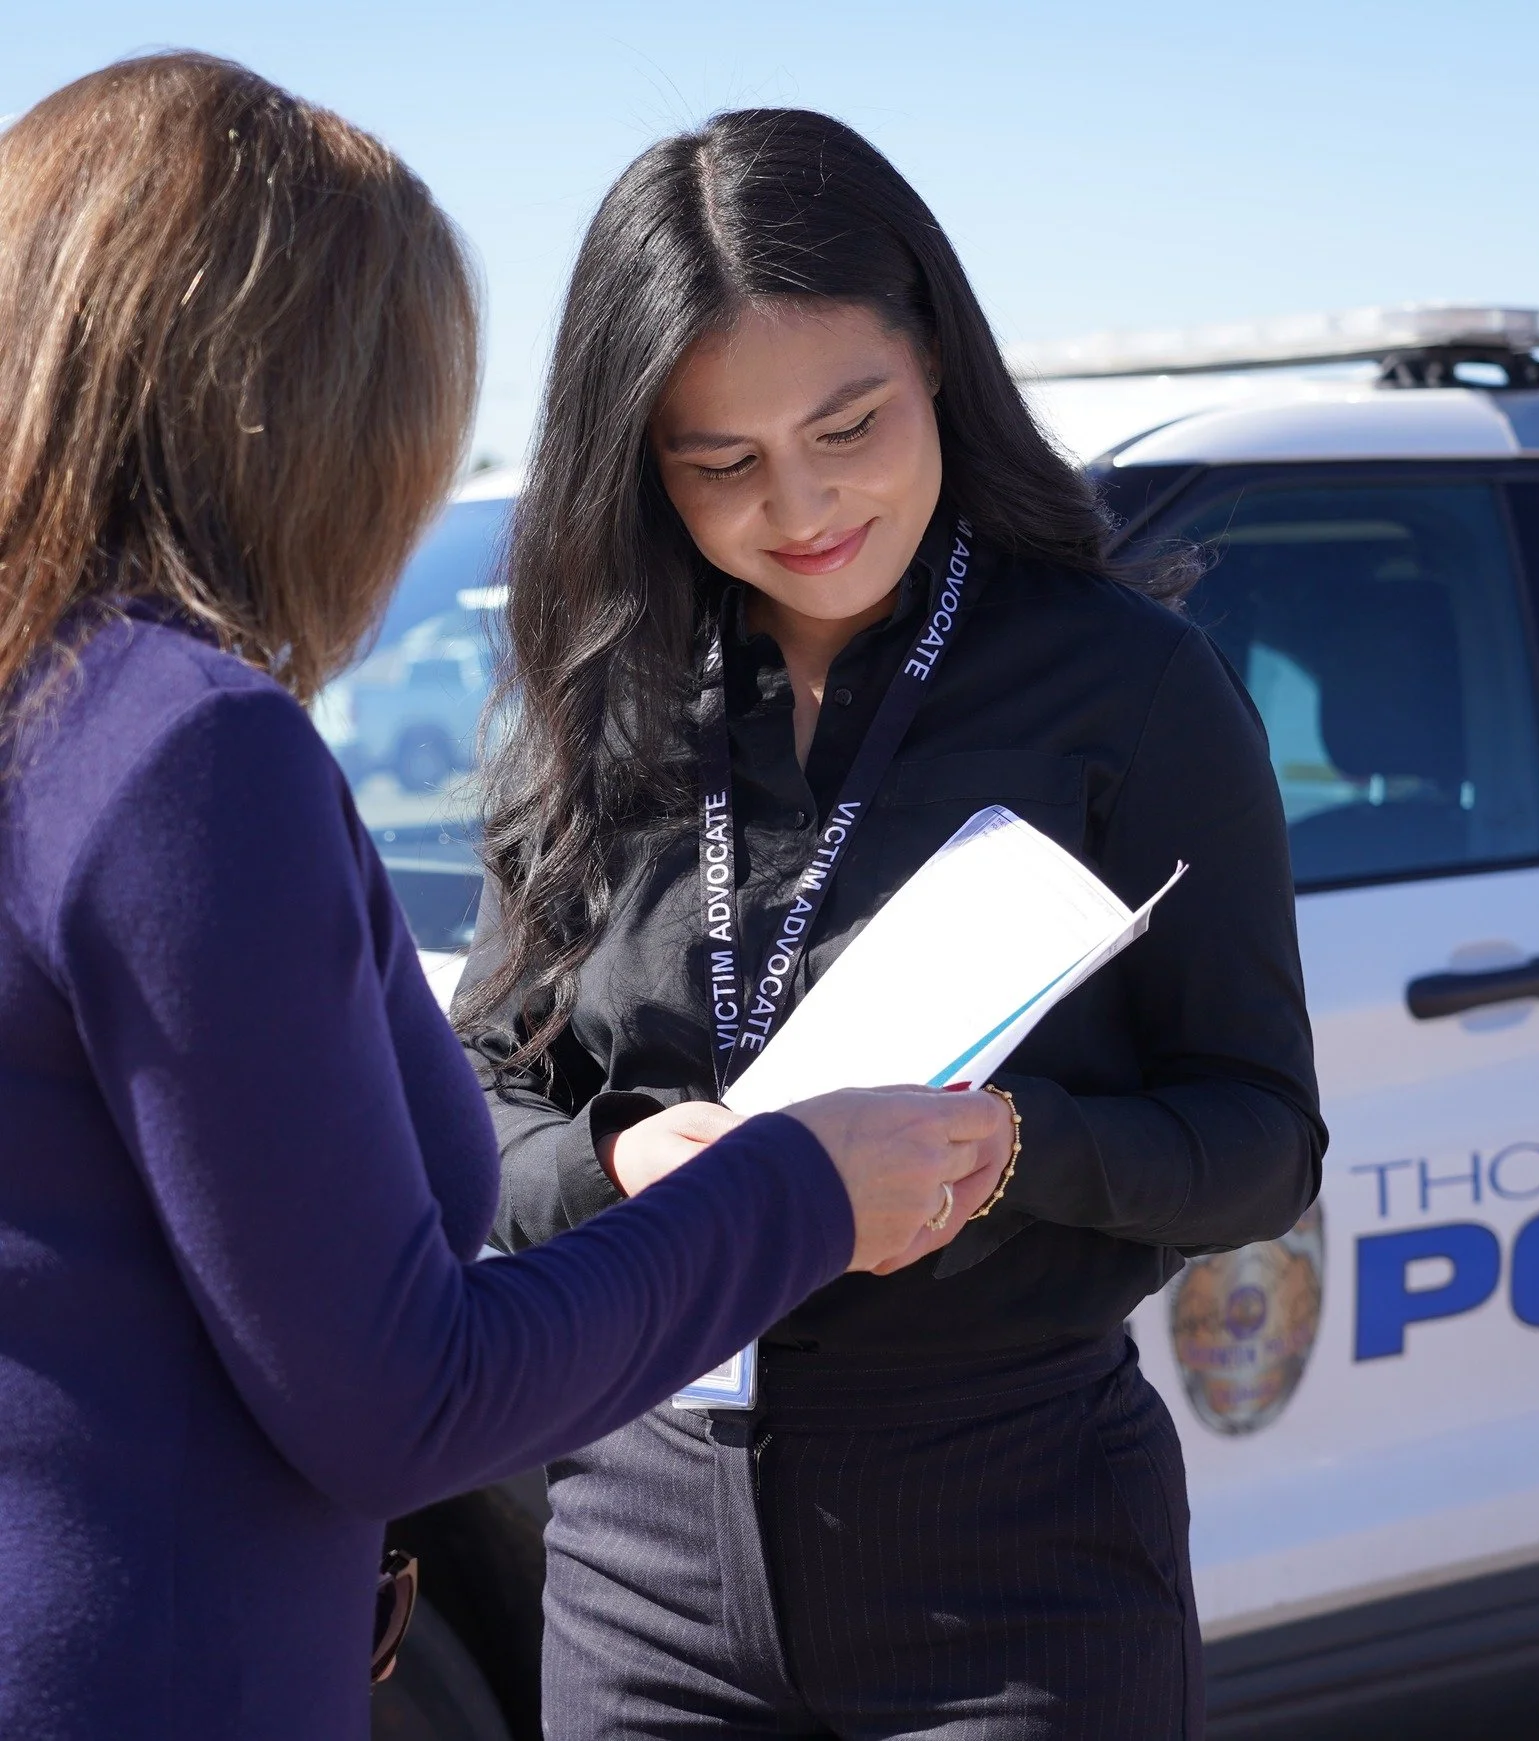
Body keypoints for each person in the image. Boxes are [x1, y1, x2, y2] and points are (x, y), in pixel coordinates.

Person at [0, 56, 1006, 1741]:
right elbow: (410, 1397)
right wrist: (799, 1190)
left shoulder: (47, 703)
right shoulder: (183, 751)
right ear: (322, 415)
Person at [456, 107, 1325, 1739]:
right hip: (638, 1545)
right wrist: (616, 1170)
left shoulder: (1128, 690)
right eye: (721, 464)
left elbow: (1263, 1142)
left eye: (848, 424)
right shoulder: (597, 698)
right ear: (638, 461)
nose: (801, 506)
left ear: (935, 359)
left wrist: (1004, 1148)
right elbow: (475, 1098)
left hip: (1007, 1552)